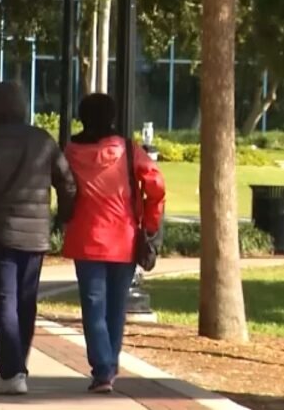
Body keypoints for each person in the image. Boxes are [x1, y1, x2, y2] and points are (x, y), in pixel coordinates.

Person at [0, 82, 77, 395]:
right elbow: (67, 183)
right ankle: (18, 366)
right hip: (34, 236)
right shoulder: (42, 141)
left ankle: (12, 372)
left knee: (4, 304)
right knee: (25, 303)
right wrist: (62, 217)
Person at [62, 93, 165, 393]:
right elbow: (156, 185)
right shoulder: (127, 150)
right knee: (116, 306)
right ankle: (109, 365)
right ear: (112, 117)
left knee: (93, 305)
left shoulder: (71, 151)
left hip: (85, 239)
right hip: (124, 238)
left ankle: (103, 369)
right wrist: (150, 221)